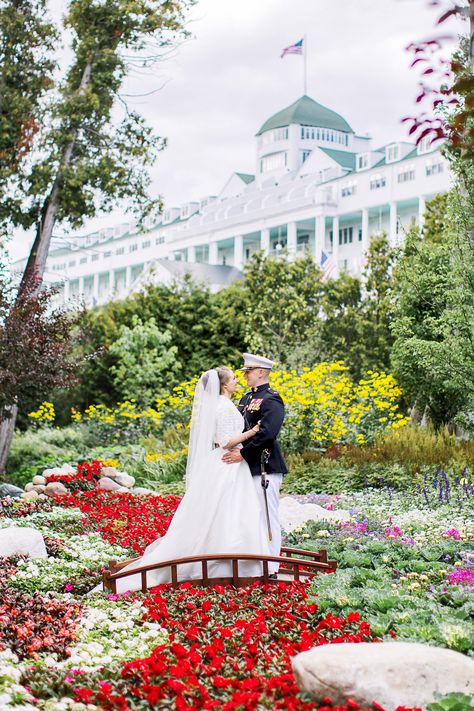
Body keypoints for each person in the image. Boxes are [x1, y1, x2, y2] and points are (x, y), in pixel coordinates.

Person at [92, 366, 270, 594]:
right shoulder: (223, 407)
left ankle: (230, 558)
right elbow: (226, 441)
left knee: (227, 511)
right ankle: (226, 561)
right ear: (224, 385)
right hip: (228, 461)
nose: (237, 381)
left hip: (228, 463)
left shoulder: (221, 405)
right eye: (234, 378)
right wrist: (253, 432)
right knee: (227, 509)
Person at [222, 353, 288, 570]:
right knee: (250, 516)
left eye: (248, 371)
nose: (245, 375)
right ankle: (257, 564)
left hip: (264, 466)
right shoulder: (246, 398)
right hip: (245, 468)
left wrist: (243, 454)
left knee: (267, 516)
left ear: (261, 372)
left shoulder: (272, 399)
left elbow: (268, 433)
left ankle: (272, 567)